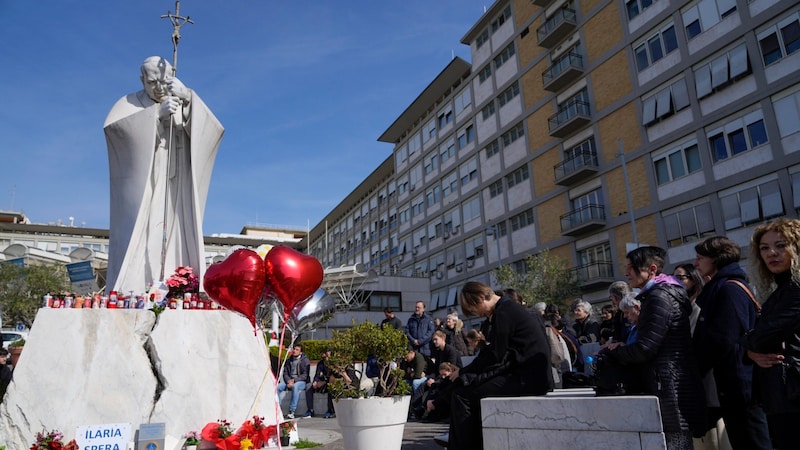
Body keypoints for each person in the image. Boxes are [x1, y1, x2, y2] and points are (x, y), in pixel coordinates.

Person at [104, 56, 224, 295]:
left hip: (179, 183)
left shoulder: (182, 97)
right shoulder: (129, 103)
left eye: (164, 80)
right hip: (147, 183)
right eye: (151, 82)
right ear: (142, 80)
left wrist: (189, 98)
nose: (159, 87)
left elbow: (213, 130)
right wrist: (155, 116)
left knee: (180, 225)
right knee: (145, 229)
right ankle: (136, 286)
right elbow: (115, 130)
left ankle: (181, 282)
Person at [605, 246, 705, 450]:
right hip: (670, 382)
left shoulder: (659, 297)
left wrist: (615, 351)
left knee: (676, 443)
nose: (626, 273)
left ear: (651, 269)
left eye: (631, 268)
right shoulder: (662, 293)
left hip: (669, 385)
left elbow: (645, 348)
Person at [435, 281, 552, 449]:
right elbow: (496, 354)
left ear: (482, 298)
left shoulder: (503, 313)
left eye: (474, 308)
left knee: (463, 395)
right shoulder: (506, 308)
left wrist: (466, 373)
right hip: (526, 374)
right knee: (464, 389)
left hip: (527, 378)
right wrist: (467, 373)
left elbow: (495, 355)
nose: (477, 313)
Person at [692, 236, 771, 449]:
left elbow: (724, 339)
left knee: (752, 441)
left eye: (700, 258)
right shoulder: (720, 287)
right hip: (733, 383)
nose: (695, 263)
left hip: (740, 385)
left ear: (717, 259)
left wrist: (696, 364)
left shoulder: (728, 289)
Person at [746, 219, 800, 449]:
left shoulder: (796, 289)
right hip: (783, 395)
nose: (772, 253)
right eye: (765, 248)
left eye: (781, 245)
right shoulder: (780, 290)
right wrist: (749, 349)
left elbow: (763, 336)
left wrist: (747, 344)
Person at [277, 344, 310, 419]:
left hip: (301, 381)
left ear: (301, 352)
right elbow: (285, 373)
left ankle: (292, 411)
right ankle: (277, 409)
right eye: (294, 349)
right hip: (289, 381)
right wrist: (288, 381)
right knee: (278, 387)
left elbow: (305, 375)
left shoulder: (305, 361)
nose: (294, 351)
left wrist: (294, 380)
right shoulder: (289, 360)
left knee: (295, 387)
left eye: (297, 350)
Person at [672, 263, 706, 334]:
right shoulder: (681, 305)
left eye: (679, 278)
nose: (674, 282)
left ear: (693, 279)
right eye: (672, 278)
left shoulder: (699, 305)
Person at [303, 349, 335, 419]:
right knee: (308, 386)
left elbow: (333, 376)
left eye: (325, 352)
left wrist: (324, 382)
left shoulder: (333, 363)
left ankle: (331, 410)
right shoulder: (320, 363)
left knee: (331, 387)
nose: (323, 354)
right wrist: (315, 381)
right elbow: (317, 374)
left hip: (330, 382)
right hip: (322, 382)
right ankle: (310, 410)